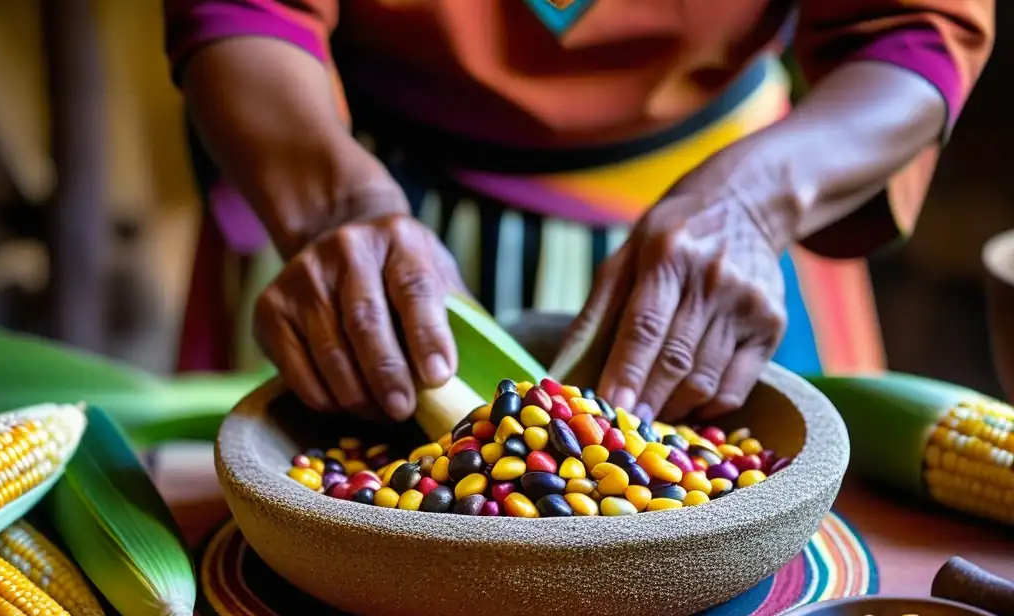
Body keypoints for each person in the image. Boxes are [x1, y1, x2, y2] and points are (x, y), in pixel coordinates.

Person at [163, 0, 993, 423]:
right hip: (347, 206)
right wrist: (334, 207)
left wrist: (749, 204)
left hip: (724, 234)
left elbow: (915, 30)